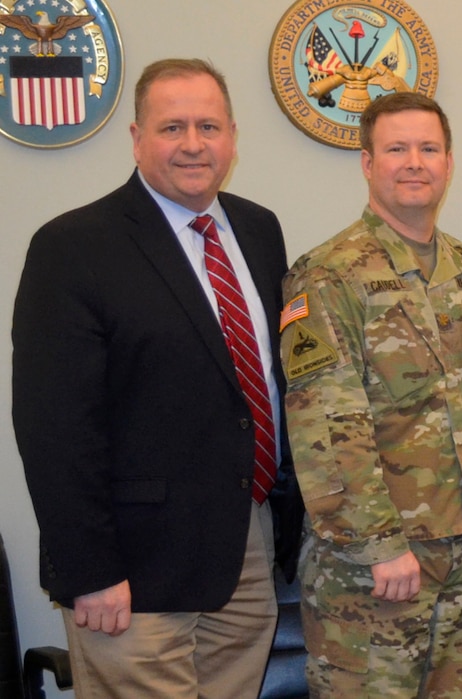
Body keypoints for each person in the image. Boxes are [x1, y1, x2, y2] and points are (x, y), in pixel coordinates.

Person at [14, 58, 300, 699]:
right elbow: (53, 427)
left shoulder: (258, 230)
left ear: (232, 135)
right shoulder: (74, 246)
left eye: (208, 125)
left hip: (245, 547)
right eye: (173, 127)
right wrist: (88, 569)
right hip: (133, 566)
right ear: (138, 137)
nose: (193, 144)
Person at [282, 91, 462, 697]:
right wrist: (378, 545)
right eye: (396, 148)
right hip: (375, 565)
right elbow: (325, 429)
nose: (414, 162)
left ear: (448, 160)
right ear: (367, 163)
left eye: (429, 148)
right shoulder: (327, 274)